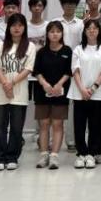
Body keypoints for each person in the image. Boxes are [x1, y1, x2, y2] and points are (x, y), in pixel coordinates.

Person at [0, 13, 37, 170]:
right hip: (0, 92)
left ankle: (12, 157)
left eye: (20, 25)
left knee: (16, 127)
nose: (17, 28)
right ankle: (0, 158)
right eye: (14, 25)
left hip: (19, 93)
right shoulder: (0, 46)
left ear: (24, 28)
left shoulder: (30, 46)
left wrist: (12, 84)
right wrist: (5, 84)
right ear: (8, 28)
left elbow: (28, 69)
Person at [68, 18, 101, 169]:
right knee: (79, 125)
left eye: (95, 28)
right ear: (84, 31)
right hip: (79, 93)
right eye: (89, 28)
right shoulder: (78, 49)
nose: (92, 31)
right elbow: (75, 70)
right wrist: (82, 89)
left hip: (97, 94)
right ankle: (81, 153)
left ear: (99, 31)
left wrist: (93, 88)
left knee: (95, 125)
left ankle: (91, 154)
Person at [32, 21, 71, 170]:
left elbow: (69, 71)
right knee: (44, 124)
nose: (55, 34)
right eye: (52, 31)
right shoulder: (41, 52)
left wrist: (59, 84)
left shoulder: (67, 50)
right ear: (47, 34)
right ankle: (43, 155)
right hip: (42, 92)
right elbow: (36, 71)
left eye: (58, 31)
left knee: (57, 124)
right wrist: (44, 84)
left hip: (60, 92)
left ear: (62, 34)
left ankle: (54, 155)